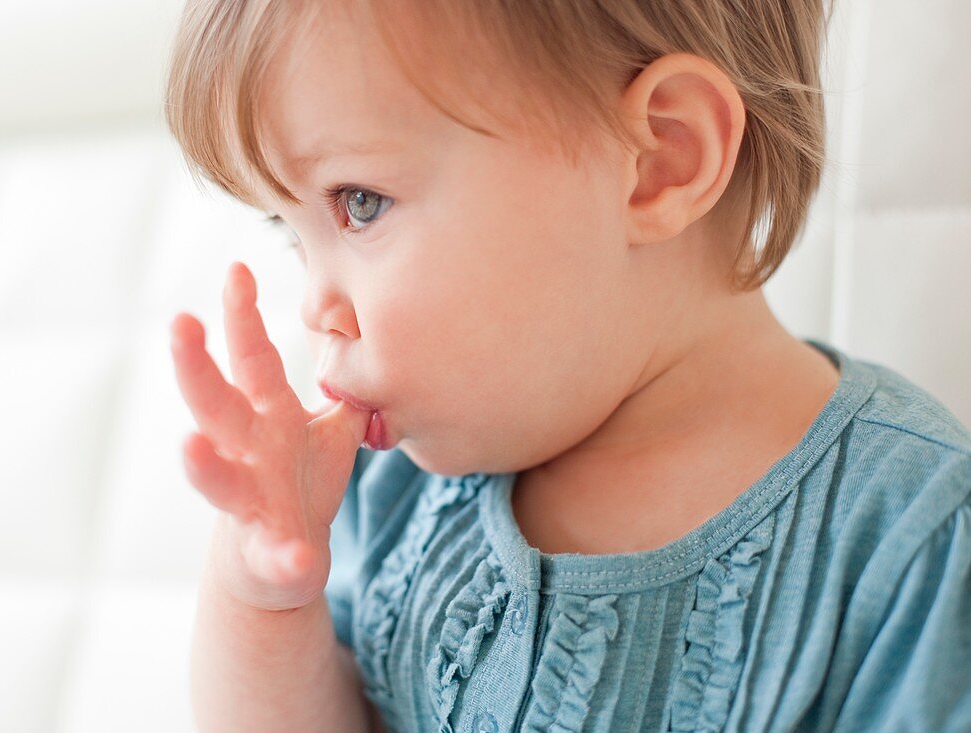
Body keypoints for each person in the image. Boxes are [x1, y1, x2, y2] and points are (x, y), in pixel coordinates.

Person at [164, 1, 971, 730]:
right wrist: (263, 596)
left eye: (359, 202)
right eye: (290, 232)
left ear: (660, 160)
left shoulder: (910, 537)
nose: (314, 307)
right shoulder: (389, 483)